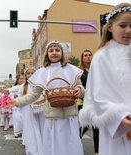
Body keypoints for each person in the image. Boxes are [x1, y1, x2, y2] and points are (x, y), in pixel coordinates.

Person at [7, 40, 84, 155]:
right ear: (47, 54)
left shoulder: (71, 69)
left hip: (70, 116)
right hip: (53, 118)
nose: (54, 53)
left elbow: (80, 87)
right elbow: (34, 94)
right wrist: (17, 102)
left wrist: (80, 90)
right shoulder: (43, 72)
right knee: (54, 147)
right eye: (51, 50)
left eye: (57, 50)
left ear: (62, 53)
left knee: (72, 146)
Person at [79, 3, 131, 155]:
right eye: (123, 25)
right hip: (117, 125)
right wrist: (119, 115)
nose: (128, 30)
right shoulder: (102, 57)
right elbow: (98, 95)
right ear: (109, 27)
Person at [16, 67, 45, 155]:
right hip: (27, 109)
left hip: (40, 108)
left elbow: (43, 95)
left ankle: (44, 146)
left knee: (42, 127)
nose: (31, 75)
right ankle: (33, 149)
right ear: (26, 75)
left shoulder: (40, 84)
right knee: (31, 128)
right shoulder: (23, 86)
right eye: (28, 73)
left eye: (32, 73)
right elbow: (20, 96)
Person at [78, 50, 99, 155]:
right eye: (85, 55)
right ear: (82, 58)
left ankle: (97, 151)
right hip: (84, 101)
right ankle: (76, 140)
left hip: (97, 101)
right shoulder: (80, 73)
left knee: (97, 126)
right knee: (85, 124)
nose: (88, 57)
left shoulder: (97, 69)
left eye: (90, 55)